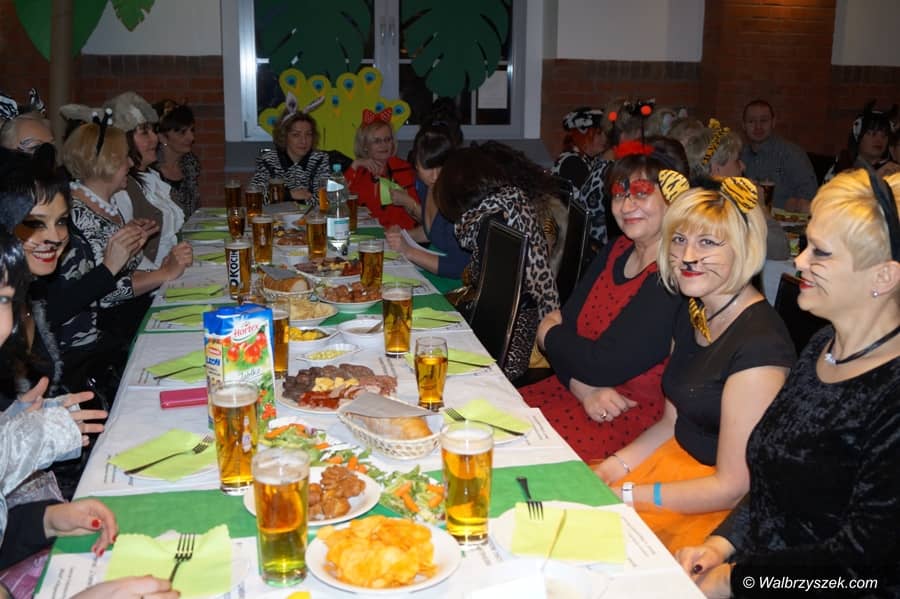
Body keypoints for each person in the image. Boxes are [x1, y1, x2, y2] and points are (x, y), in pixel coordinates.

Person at [676, 169, 900, 598]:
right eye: (806, 246)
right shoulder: (821, 346)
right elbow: (773, 481)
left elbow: (863, 565)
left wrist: (735, 580)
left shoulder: (891, 392)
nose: (798, 261)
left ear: (883, 277)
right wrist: (721, 544)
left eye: (821, 253)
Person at [592, 172, 795, 554]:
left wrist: (627, 494)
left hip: (717, 510)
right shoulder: (694, 310)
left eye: (707, 242)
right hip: (672, 471)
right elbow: (671, 423)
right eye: (679, 240)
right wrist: (612, 468)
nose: (687, 257)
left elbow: (733, 487)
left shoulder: (760, 348)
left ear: (744, 248)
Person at [521, 138, 688, 462]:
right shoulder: (617, 249)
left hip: (624, 418)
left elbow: (601, 364)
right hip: (578, 393)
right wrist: (584, 388)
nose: (626, 206)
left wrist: (547, 332)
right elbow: (571, 330)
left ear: (672, 200)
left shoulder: (672, 276)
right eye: (619, 194)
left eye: (641, 192)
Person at [60, 117, 192, 353]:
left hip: (121, 323)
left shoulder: (103, 205)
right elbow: (104, 292)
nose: (131, 163)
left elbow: (121, 271)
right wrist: (163, 273)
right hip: (96, 341)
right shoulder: (78, 214)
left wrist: (158, 267)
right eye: (125, 157)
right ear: (108, 163)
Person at [433, 146, 560, 381]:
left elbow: (484, 291)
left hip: (506, 348)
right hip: (520, 330)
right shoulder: (512, 203)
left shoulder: (490, 224)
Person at [683, 120, 790, 260]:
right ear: (716, 169)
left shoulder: (688, 199)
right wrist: (760, 207)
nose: (743, 166)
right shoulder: (724, 206)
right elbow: (780, 249)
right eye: (736, 160)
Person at [107, 92, 186, 269]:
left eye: (153, 131)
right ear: (124, 139)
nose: (154, 138)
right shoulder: (122, 187)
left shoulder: (152, 176)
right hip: (154, 277)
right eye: (144, 132)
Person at [384, 124, 470, 278]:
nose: (435, 176)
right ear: (416, 164)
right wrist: (403, 236)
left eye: (441, 167)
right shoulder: (424, 186)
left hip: (459, 282)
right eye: (428, 167)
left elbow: (460, 267)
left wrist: (408, 250)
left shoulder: (457, 198)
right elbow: (435, 232)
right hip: (437, 273)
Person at [344, 109, 419, 229]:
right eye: (377, 141)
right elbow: (337, 199)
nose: (384, 145)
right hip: (365, 233)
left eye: (387, 139)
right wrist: (355, 164)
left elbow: (417, 213)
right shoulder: (359, 171)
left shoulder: (404, 169)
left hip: (399, 234)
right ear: (365, 146)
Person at [740, 99, 819, 212]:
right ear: (743, 125)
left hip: (785, 221)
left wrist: (785, 204)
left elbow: (810, 197)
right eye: (751, 121)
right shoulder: (738, 156)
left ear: (773, 122)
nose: (758, 126)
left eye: (764, 121)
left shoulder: (792, 154)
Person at [249, 109, 331, 203]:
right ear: (284, 136)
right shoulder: (268, 160)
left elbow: (325, 198)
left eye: (308, 134)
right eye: (296, 135)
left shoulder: (320, 159)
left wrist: (278, 196)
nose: (304, 141)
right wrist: (289, 195)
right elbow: (255, 197)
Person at [824, 100, 899, 182]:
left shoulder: (891, 168)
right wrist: (876, 178)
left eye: (884, 136)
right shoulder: (844, 164)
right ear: (858, 135)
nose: (879, 140)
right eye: (872, 134)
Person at [153, 99, 200, 218]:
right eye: (182, 132)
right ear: (162, 137)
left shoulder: (190, 165)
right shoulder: (151, 172)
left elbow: (194, 210)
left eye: (192, 130)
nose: (191, 137)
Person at [552, 107, 606, 190]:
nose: (604, 138)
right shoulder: (572, 163)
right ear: (582, 135)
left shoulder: (588, 160)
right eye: (599, 133)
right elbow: (592, 194)